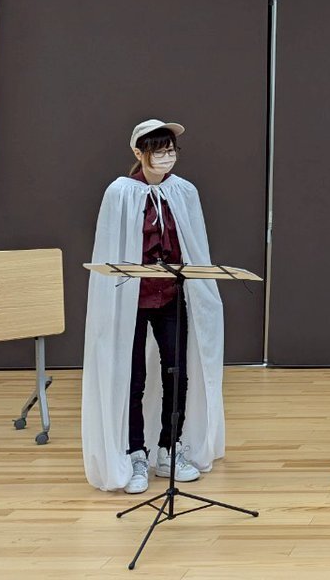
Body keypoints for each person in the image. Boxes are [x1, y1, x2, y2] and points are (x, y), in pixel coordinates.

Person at [82, 119, 226, 494]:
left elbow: (194, 244)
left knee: (177, 373)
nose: (166, 157)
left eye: (171, 150)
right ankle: (135, 454)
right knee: (132, 378)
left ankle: (169, 448)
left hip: (171, 298)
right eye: (158, 151)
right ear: (138, 152)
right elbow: (111, 245)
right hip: (131, 300)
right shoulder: (120, 193)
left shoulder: (184, 192)